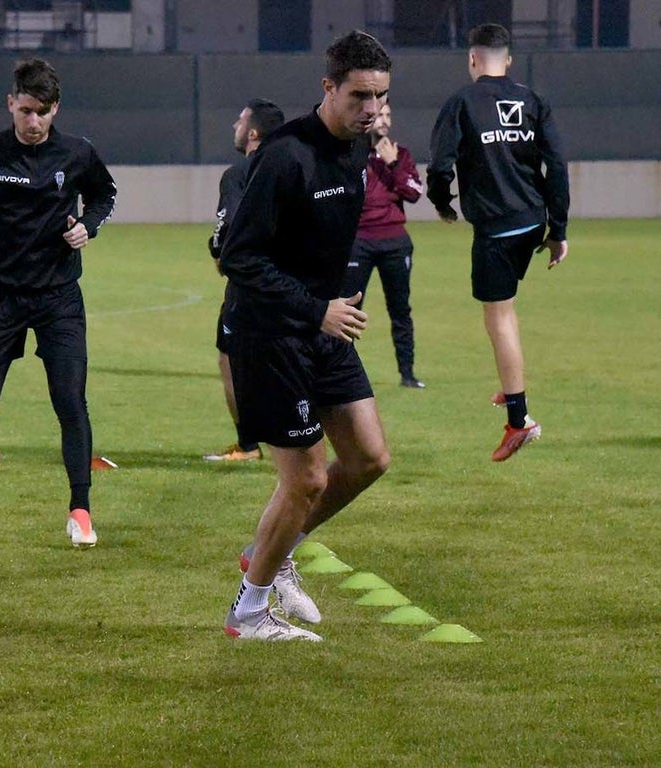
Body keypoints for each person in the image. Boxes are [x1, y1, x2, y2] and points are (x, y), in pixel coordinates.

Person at [219, 31, 393, 642]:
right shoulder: (286, 154)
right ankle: (249, 611)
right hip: (271, 335)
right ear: (329, 87)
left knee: (370, 458)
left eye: (380, 96)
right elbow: (238, 257)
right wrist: (313, 307)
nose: (371, 108)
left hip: (323, 326)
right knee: (308, 478)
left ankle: (272, 551)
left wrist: (330, 304)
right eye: (359, 95)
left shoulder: (358, 148)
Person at [0, 58, 116, 547]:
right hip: (0, 295)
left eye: (43, 112)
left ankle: (80, 508)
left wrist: (88, 225)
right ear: (11, 104)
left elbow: (105, 195)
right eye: (25, 110)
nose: (33, 122)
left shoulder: (77, 154)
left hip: (59, 298)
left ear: (55, 109)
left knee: (70, 401)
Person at [427, 23, 569, 462]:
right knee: (503, 311)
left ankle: (520, 419)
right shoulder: (533, 99)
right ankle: (511, 386)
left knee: (499, 317)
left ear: (472, 59)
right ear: (506, 60)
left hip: (497, 228)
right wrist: (558, 229)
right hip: (530, 222)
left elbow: (439, 165)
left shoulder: (461, 102)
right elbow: (557, 165)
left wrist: (443, 205)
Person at [202, 98, 284, 463]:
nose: (234, 127)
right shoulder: (292, 166)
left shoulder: (239, 173)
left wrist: (218, 251)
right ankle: (300, 438)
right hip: (292, 284)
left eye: (239, 121)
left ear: (253, 133)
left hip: (249, 285)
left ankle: (248, 444)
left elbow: (227, 227)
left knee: (231, 360)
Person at [340, 102, 426, 388]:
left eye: (389, 114)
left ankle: (408, 374)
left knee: (400, 309)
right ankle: (338, 372)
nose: (385, 119)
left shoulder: (401, 155)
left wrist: (392, 164)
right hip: (359, 243)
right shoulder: (352, 154)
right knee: (349, 309)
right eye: (380, 114)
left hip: (395, 243)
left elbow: (414, 193)